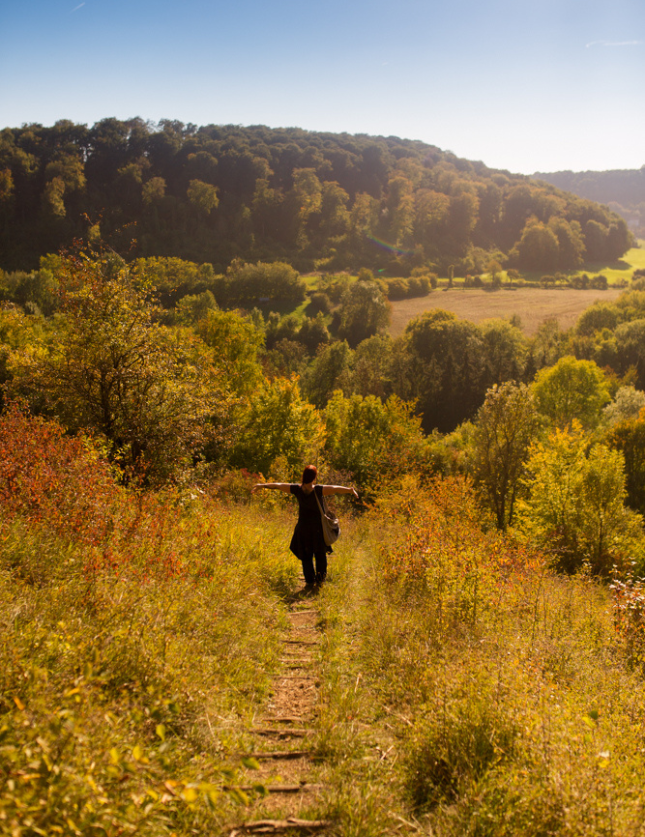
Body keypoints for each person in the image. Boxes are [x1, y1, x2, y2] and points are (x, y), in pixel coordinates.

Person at [252, 465, 358, 587]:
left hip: (303, 527)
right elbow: (335, 489)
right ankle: (320, 581)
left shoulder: (297, 489)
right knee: (320, 554)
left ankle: (309, 581)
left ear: (304, 476)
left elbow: (278, 486)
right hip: (318, 529)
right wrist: (350, 490)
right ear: (314, 477)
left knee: (306, 556)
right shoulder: (318, 490)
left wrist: (262, 486)